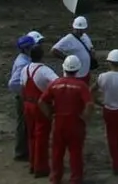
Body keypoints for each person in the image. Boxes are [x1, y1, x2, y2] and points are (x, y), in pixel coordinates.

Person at [40, 56, 93, 184]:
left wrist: (49, 114)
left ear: (64, 67)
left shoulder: (55, 84)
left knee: (57, 152)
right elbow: (90, 104)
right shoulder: (81, 86)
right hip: (75, 123)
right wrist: (85, 117)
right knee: (75, 152)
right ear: (78, 69)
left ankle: (55, 178)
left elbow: (42, 101)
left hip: (59, 122)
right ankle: (75, 179)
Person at [21, 45, 59, 178]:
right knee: (41, 136)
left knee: (31, 135)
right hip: (40, 105)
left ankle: (32, 164)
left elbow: (22, 87)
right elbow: (57, 82)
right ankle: (40, 167)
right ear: (42, 56)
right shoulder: (44, 70)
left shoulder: (24, 69)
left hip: (27, 104)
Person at [8, 31, 42, 162]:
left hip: (22, 97)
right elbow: (13, 83)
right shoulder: (23, 63)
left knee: (25, 124)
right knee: (23, 125)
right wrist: (24, 93)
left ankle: (24, 150)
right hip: (22, 98)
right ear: (26, 48)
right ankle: (21, 152)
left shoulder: (24, 59)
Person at [51, 17, 95, 81]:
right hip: (74, 75)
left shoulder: (85, 36)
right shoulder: (68, 39)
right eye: (77, 29)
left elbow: (90, 47)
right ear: (73, 27)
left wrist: (92, 50)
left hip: (85, 73)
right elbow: (53, 50)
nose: (79, 31)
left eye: (81, 29)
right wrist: (67, 59)